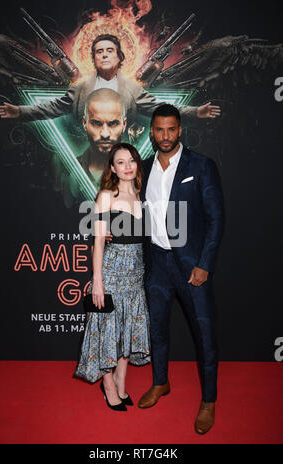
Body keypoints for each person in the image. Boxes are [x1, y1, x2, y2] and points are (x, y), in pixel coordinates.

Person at [138, 104, 225, 434]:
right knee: (157, 329)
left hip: (191, 267)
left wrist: (205, 264)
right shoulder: (144, 168)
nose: (165, 136)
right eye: (159, 130)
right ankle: (161, 382)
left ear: (180, 131)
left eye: (171, 129)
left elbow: (217, 220)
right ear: (152, 132)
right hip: (157, 263)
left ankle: (209, 400)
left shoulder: (201, 166)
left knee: (204, 335)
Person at [0, 34, 221, 126]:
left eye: (109, 50)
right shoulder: (81, 87)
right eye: (99, 51)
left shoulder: (132, 88)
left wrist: (195, 112)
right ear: (93, 58)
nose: (104, 54)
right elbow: (53, 108)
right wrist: (20, 112)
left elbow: (161, 109)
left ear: (119, 57)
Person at [74, 142, 150, 411]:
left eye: (131, 160)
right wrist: (98, 280)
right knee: (108, 329)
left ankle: (121, 380)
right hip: (112, 269)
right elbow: (98, 241)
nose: (127, 166)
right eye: (120, 162)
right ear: (112, 167)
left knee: (127, 329)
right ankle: (108, 387)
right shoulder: (107, 196)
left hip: (137, 272)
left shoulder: (142, 195)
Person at [63, 88, 127, 207]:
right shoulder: (67, 172)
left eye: (113, 124)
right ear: (84, 123)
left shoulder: (141, 172)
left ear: (124, 125)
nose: (105, 134)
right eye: (96, 123)